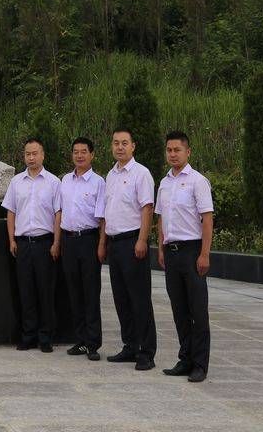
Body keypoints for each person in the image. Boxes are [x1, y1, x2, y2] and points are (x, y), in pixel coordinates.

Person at [156, 130, 213, 383]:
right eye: (169, 150)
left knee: (197, 311)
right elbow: (161, 219)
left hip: (192, 252)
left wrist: (204, 254)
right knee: (179, 310)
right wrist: (160, 248)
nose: (172, 154)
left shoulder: (197, 181)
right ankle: (185, 358)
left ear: (188, 152)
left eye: (177, 150)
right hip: (171, 252)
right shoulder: (164, 182)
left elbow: (207, 219)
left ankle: (200, 364)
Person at [103, 128, 157, 370]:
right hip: (114, 242)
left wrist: (143, 240)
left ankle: (147, 352)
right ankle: (130, 346)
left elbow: (147, 208)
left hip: (133, 241)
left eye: (125, 143)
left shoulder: (141, 174)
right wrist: (104, 242)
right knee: (121, 298)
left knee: (139, 298)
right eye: (116, 143)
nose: (120, 147)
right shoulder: (111, 175)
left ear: (133, 146)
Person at [2, 139, 62, 352]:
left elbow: (58, 214)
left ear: (43, 155)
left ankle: (46, 337)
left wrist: (56, 242)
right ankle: (28, 335)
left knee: (45, 291)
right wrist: (11, 240)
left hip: (45, 243)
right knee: (25, 291)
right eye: (27, 154)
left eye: (35, 153)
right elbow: (11, 212)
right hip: (23, 244)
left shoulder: (54, 182)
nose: (31, 157)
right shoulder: (16, 182)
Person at [59, 137, 106, 360]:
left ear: (92, 155)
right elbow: (58, 213)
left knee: (90, 292)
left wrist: (101, 245)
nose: (79, 155)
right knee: (73, 292)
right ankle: (80, 340)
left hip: (88, 240)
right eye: (76, 152)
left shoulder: (98, 182)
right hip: (68, 240)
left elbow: (102, 219)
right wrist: (58, 243)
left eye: (84, 152)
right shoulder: (65, 181)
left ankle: (93, 342)